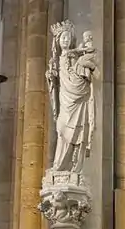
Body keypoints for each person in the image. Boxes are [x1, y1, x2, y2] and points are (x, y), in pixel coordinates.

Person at [46, 21, 96, 172]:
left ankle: (74, 166)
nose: (66, 40)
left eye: (68, 37)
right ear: (58, 41)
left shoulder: (75, 57)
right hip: (65, 99)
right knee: (61, 128)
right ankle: (59, 165)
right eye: (63, 38)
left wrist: (84, 72)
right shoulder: (55, 60)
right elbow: (56, 81)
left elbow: (82, 74)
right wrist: (51, 77)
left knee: (77, 132)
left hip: (78, 98)